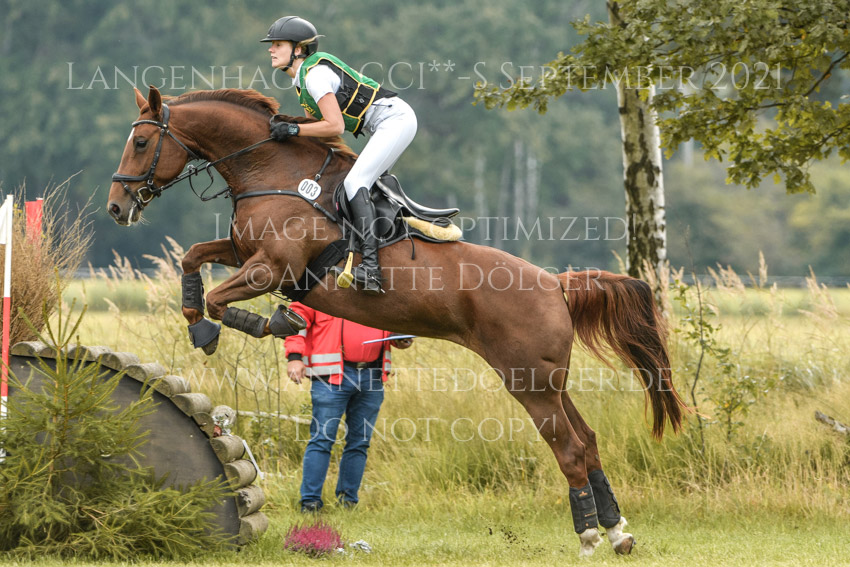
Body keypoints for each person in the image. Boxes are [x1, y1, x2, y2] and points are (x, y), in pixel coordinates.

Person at [261, 16, 417, 295]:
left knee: (355, 183)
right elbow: (317, 129)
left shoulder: (315, 76)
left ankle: (371, 268)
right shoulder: (302, 81)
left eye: (278, 44)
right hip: (383, 125)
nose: (271, 49)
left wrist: (294, 129)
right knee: (356, 184)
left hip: (395, 121)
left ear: (299, 49)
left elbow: (335, 126)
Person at [284, 301, 414, 512]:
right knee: (322, 439)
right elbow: (294, 320)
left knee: (359, 442)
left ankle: (348, 503)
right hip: (330, 377)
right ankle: (310, 503)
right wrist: (294, 357)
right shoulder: (320, 288)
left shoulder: (378, 291)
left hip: (372, 377)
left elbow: (393, 328)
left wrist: (402, 338)